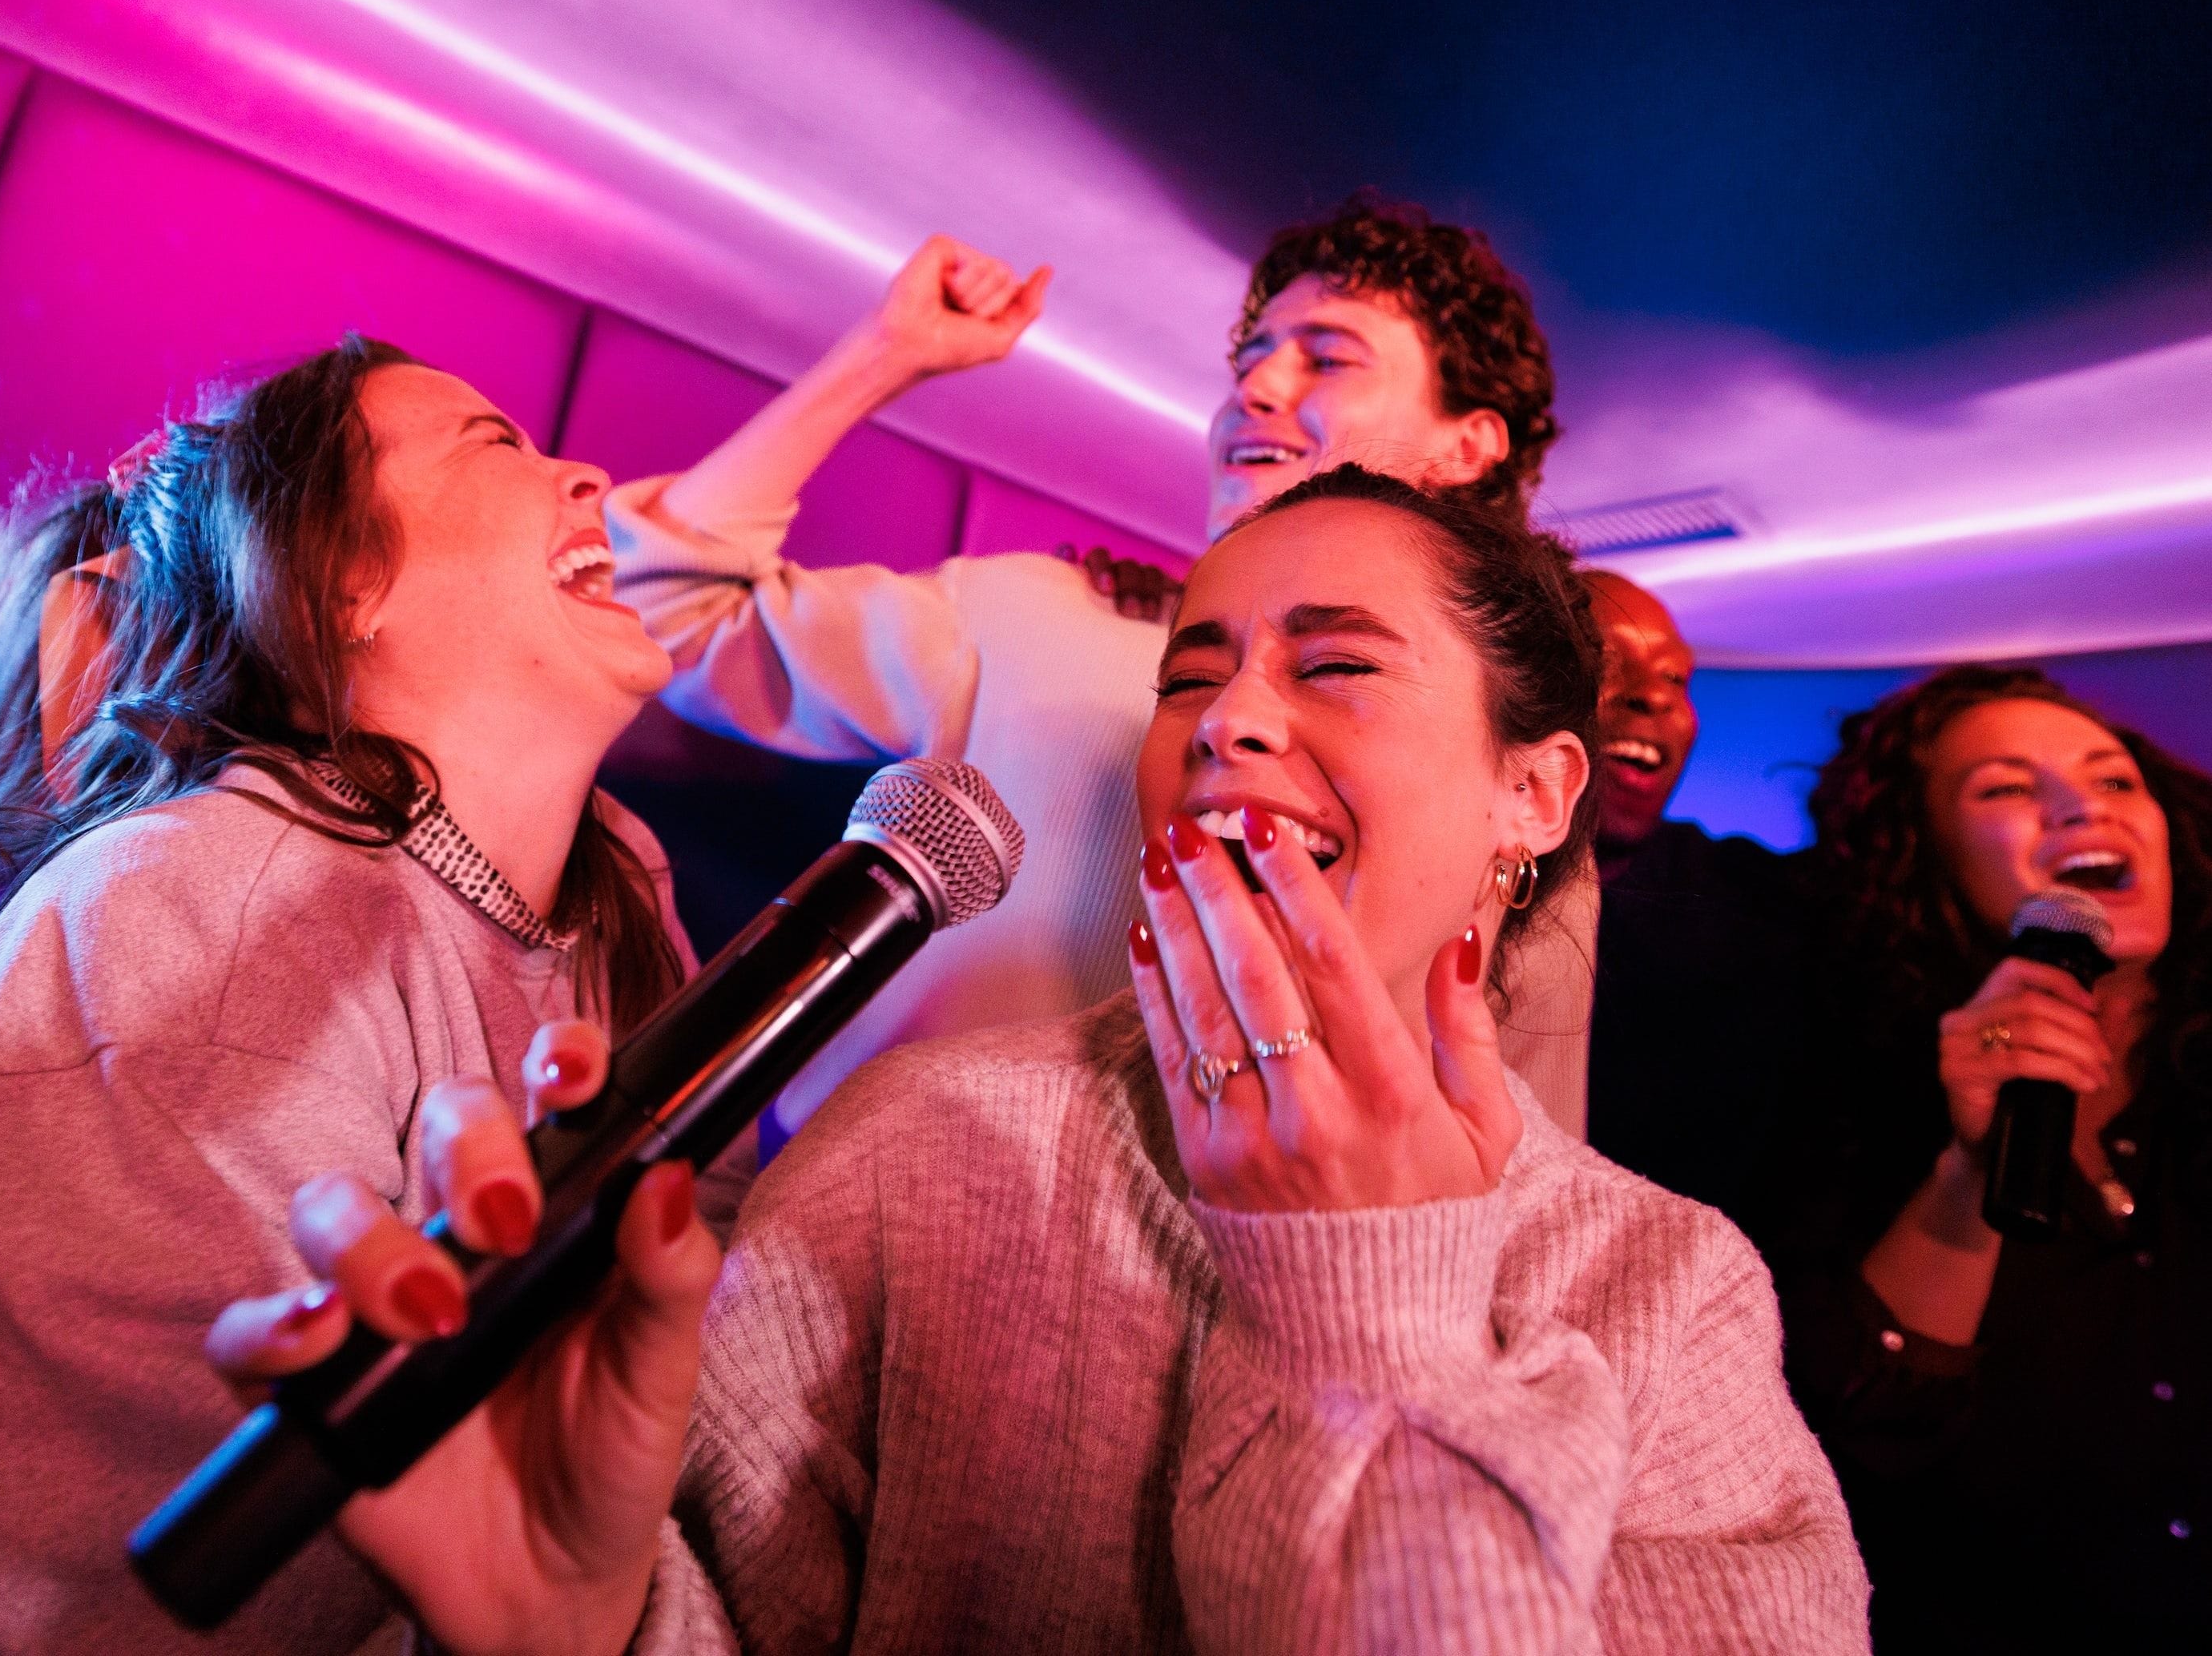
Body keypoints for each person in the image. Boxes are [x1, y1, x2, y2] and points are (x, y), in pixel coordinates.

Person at [216, 465, 1870, 1655]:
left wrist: (1365, 1293)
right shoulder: (929, 1138)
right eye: (1191, 675)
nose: (1225, 720)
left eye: (1336, 663)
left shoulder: (1664, 1287)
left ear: (1534, 793)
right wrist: (591, 1621)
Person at [0, 337, 726, 1654]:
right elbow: (140, 1605)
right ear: (343, 583)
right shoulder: (185, 933)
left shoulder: (618, 896)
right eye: (498, 443)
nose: (591, 479)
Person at [612, 194, 1596, 1137]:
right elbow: (671, 610)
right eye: (1250, 360)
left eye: (1327, 357)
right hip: (843, 1203)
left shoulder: (1508, 790)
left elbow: (1523, 1153)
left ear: (1468, 444)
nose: (1254, 391)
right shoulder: (1042, 614)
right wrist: (887, 352)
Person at [1777, 665, 2211, 1647]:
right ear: (1922, 855)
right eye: (2006, 787)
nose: (2079, 807)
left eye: (2111, 778)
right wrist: (1967, 1174)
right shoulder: (1850, 1100)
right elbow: (1857, 1445)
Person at [1579, 570, 1812, 1238]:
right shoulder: (1425, 898)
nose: (1652, 695)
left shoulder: (1755, 906)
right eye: (1605, 660)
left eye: (1675, 677)